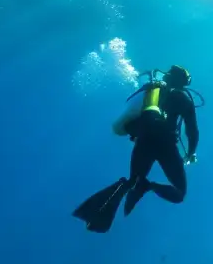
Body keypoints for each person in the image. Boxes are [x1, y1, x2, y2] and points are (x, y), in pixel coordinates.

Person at [73, 65, 200, 233]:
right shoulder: (183, 99)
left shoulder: (152, 89)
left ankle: (97, 212)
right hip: (166, 145)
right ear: (183, 83)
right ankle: (147, 186)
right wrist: (190, 153)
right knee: (179, 193)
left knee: (132, 181)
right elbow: (192, 131)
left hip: (144, 141)